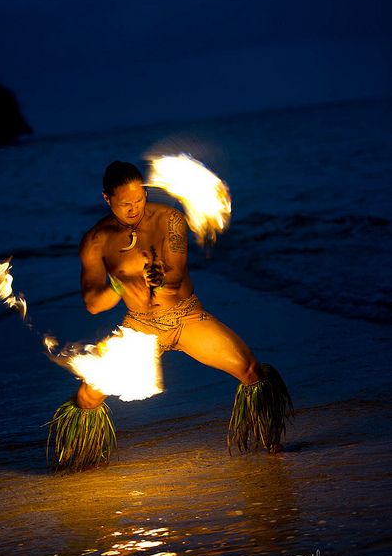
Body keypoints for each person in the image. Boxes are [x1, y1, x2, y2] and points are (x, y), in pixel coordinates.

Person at [77, 160, 264, 409]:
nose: (134, 209)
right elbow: (93, 304)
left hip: (185, 316)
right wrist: (119, 285)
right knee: (87, 397)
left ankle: (273, 443)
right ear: (107, 199)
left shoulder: (169, 218)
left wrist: (159, 277)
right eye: (125, 204)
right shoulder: (95, 240)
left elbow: (175, 275)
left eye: (138, 200)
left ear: (144, 192)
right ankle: (82, 446)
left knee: (250, 369)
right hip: (140, 325)